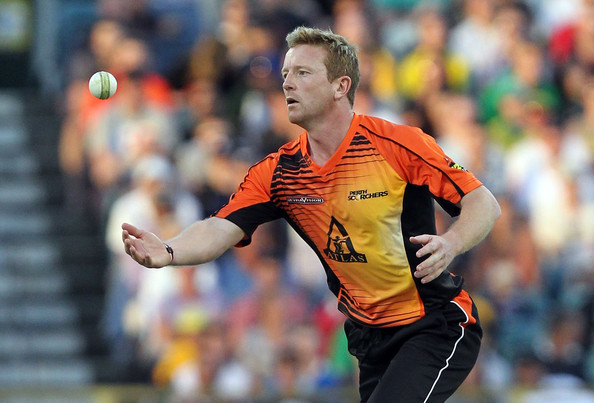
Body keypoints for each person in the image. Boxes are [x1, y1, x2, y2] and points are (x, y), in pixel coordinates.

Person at [122, 26, 501, 402]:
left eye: (303, 73)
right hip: (369, 337)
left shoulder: (397, 144)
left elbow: (483, 202)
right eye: (286, 73)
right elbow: (220, 228)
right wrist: (169, 250)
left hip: (434, 324)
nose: (287, 83)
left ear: (340, 86)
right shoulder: (279, 172)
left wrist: (451, 242)